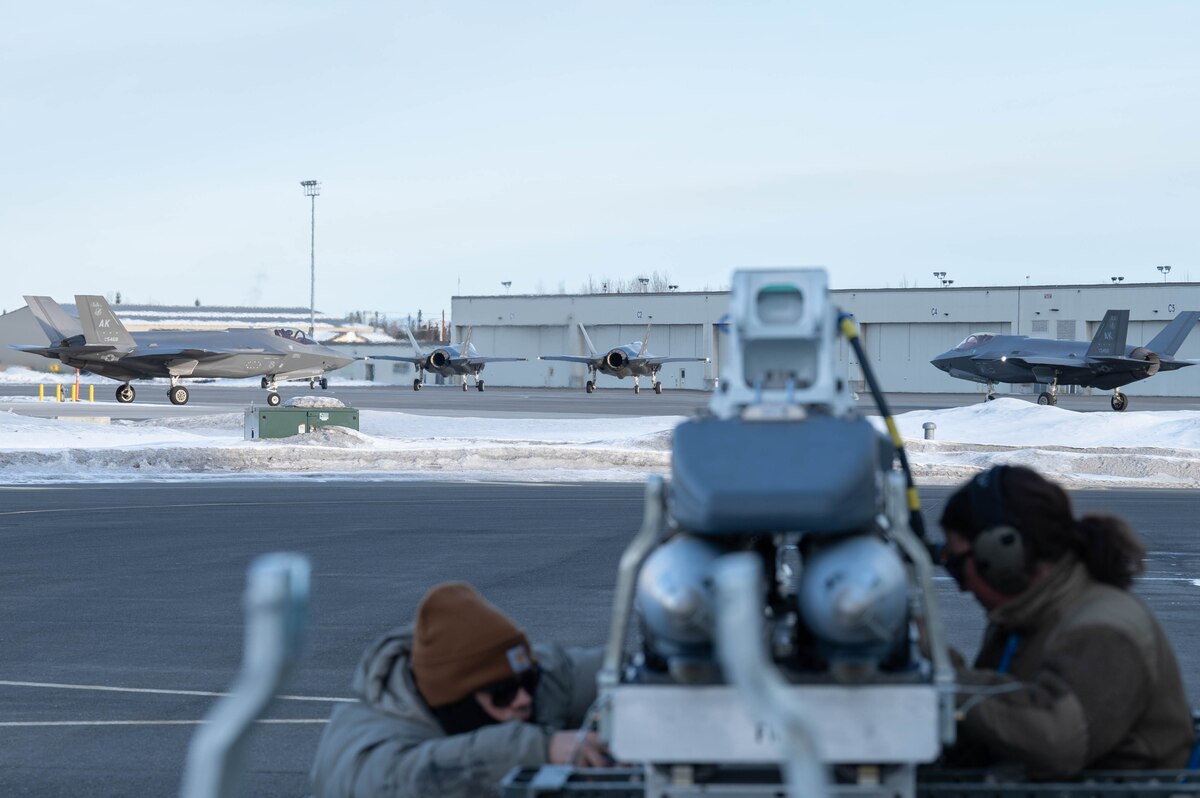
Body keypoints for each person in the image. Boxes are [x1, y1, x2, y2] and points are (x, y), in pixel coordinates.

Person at [939, 464, 1194, 778]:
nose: (961, 585)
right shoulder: (1028, 615)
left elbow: (1056, 739)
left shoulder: (1103, 629)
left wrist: (940, 679)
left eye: (957, 567)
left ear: (1003, 557)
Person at [310, 582, 609, 798]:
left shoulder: (514, 680)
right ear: (455, 698)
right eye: (502, 692)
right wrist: (540, 748)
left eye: (528, 681)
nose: (523, 699)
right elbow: (398, 781)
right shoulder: (361, 750)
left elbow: (580, 673)